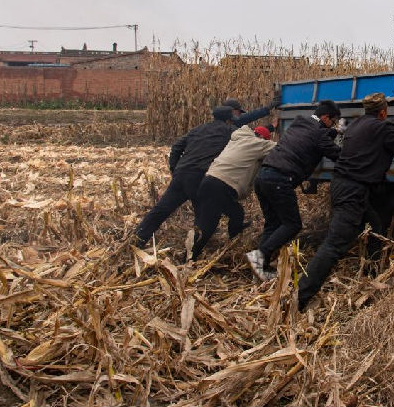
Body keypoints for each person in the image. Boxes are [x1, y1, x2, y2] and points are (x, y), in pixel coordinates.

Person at [297, 92, 394, 310]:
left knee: (375, 226)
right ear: (383, 112)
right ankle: (300, 296)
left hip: (343, 186)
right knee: (334, 245)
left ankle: (372, 272)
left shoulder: (356, 126)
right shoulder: (383, 128)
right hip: (352, 191)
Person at [134, 99, 271, 247]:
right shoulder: (231, 132)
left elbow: (176, 147)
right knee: (207, 215)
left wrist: (175, 169)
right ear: (230, 119)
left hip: (181, 174)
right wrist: (270, 127)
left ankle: (138, 240)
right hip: (202, 176)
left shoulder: (197, 129)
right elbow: (250, 140)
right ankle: (195, 251)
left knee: (161, 210)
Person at [246, 100, 343, 281]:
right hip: (280, 179)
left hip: (263, 177)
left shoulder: (299, 123)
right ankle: (259, 256)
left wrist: (332, 131)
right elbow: (337, 154)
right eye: (333, 121)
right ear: (325, 117)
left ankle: (259, 269)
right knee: (293, 225)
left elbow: (316, 135)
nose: (334, 124)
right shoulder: (319, 134)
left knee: (273, 224)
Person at [190, 125, 275, 260]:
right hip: (221, 186)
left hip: (208, 181)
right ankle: (191, 256)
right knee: (208, 225)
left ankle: (232, 242)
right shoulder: (257, 144)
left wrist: (271, 127)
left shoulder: (238, 138)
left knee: (236, 213)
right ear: (261, 138)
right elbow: (280, 149)